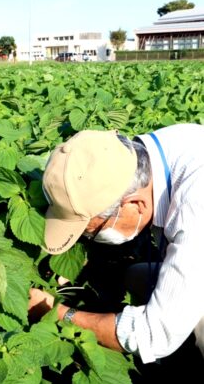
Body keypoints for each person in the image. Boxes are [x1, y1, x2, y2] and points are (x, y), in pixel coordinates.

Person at [29, 125, 204, 363]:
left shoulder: (194, 211)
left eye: (93, 232)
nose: (90, 239)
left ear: (134, 204)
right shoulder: (153, 155)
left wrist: (54, 312)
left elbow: (153, 335)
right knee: (137, 276)